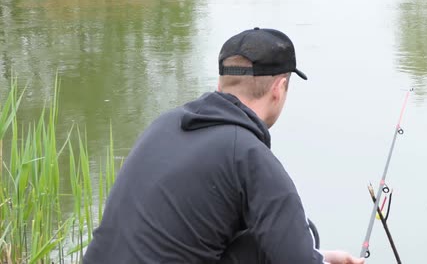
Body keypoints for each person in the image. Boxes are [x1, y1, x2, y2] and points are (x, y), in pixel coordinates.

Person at [83, 27, 365, 264]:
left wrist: (323, 257)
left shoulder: (166, 124)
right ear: (278, 90)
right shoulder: (249, 155)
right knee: (300, 233)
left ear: (220, 85)